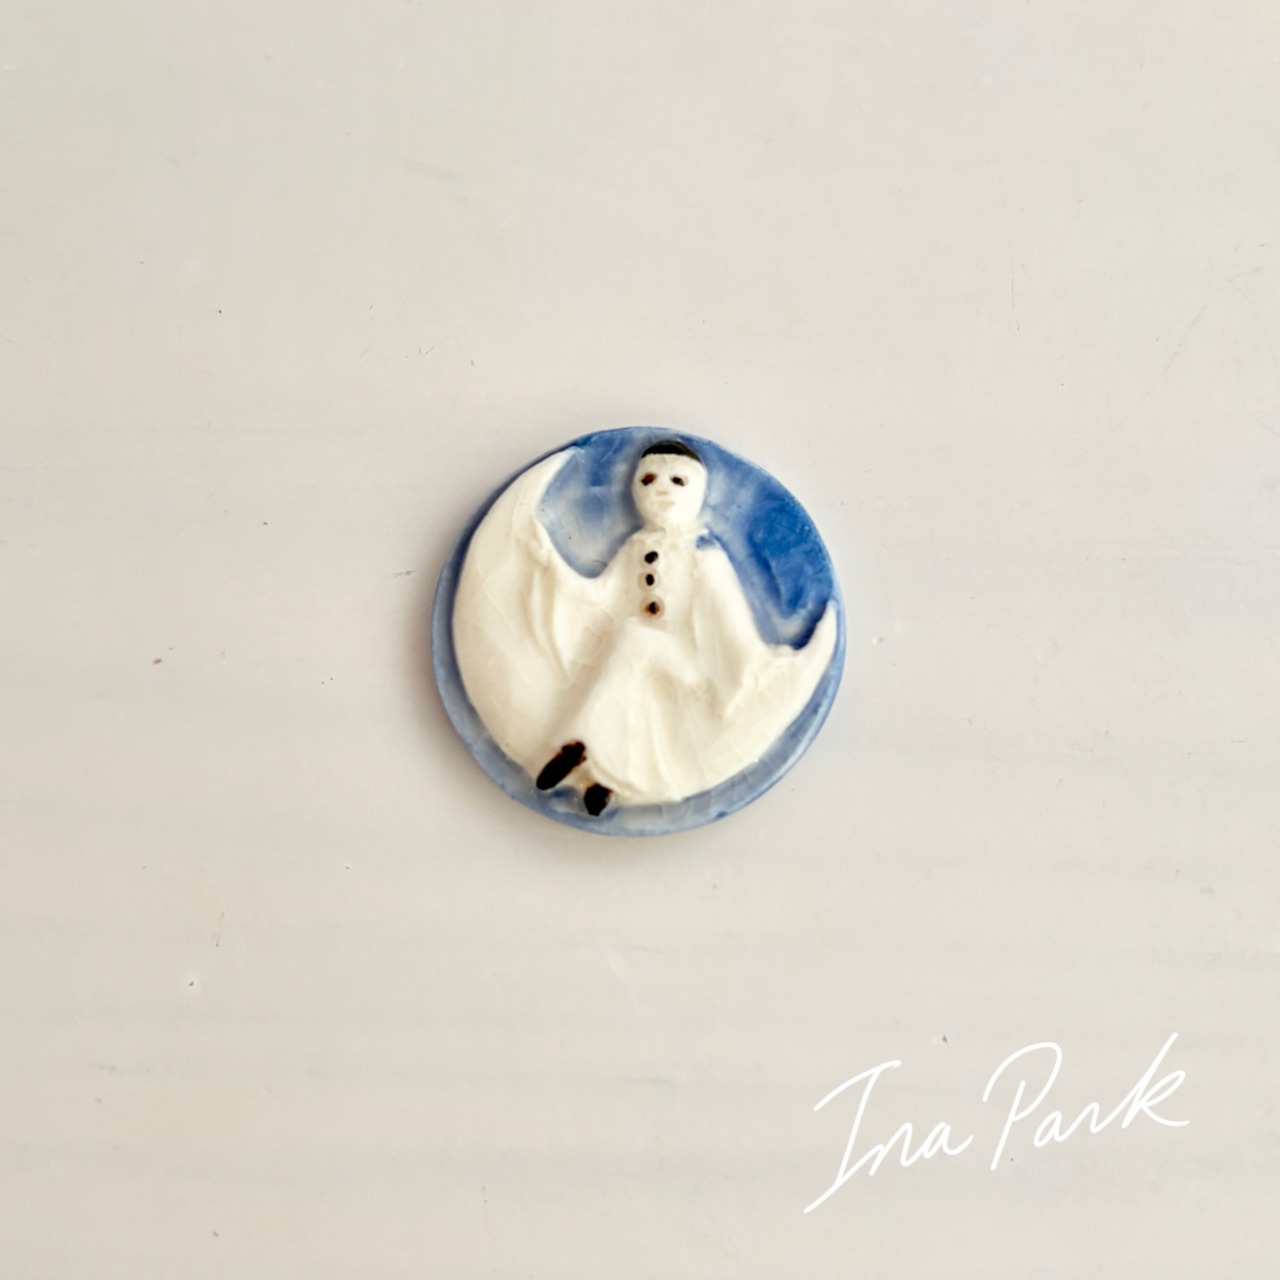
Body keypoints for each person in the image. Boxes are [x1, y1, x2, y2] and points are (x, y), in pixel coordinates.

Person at [453, 440, 837, 815]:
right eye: (649, 480)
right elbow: (603, 597)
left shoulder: (704, 555)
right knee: (632, 659)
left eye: (678, 481)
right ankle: (604, 781)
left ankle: (577, 745)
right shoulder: (636, 547)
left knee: (635, 638)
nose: (662, 491)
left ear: (698, 491)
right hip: (647, 651)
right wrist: (552, 566)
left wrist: (749, 669)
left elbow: (729, 618)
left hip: (698, 668)